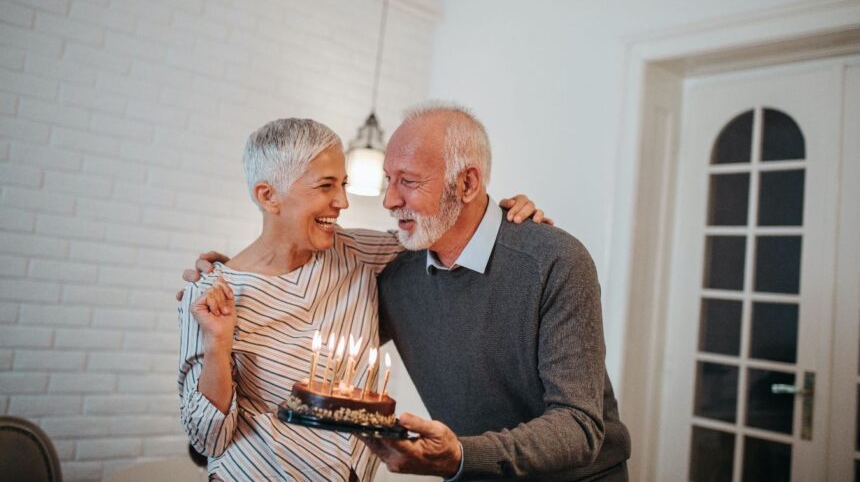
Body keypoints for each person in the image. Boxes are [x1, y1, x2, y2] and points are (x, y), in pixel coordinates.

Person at [177, 117, 545, 482]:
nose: (342, 202)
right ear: (268, 196)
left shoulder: (361, 253)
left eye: (343, 184)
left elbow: (445, 228)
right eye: (325, 186)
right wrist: (217, 346)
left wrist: (507, 219)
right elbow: (207, 438)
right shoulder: (210, 296)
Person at [362, 103, 631, 481]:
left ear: (467, 184)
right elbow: (333, 344)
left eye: (408, 181)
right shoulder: (398, 274)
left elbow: (578, 426)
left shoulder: (554, 261)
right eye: (388, 179)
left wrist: (461, 456)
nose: (389, 200)